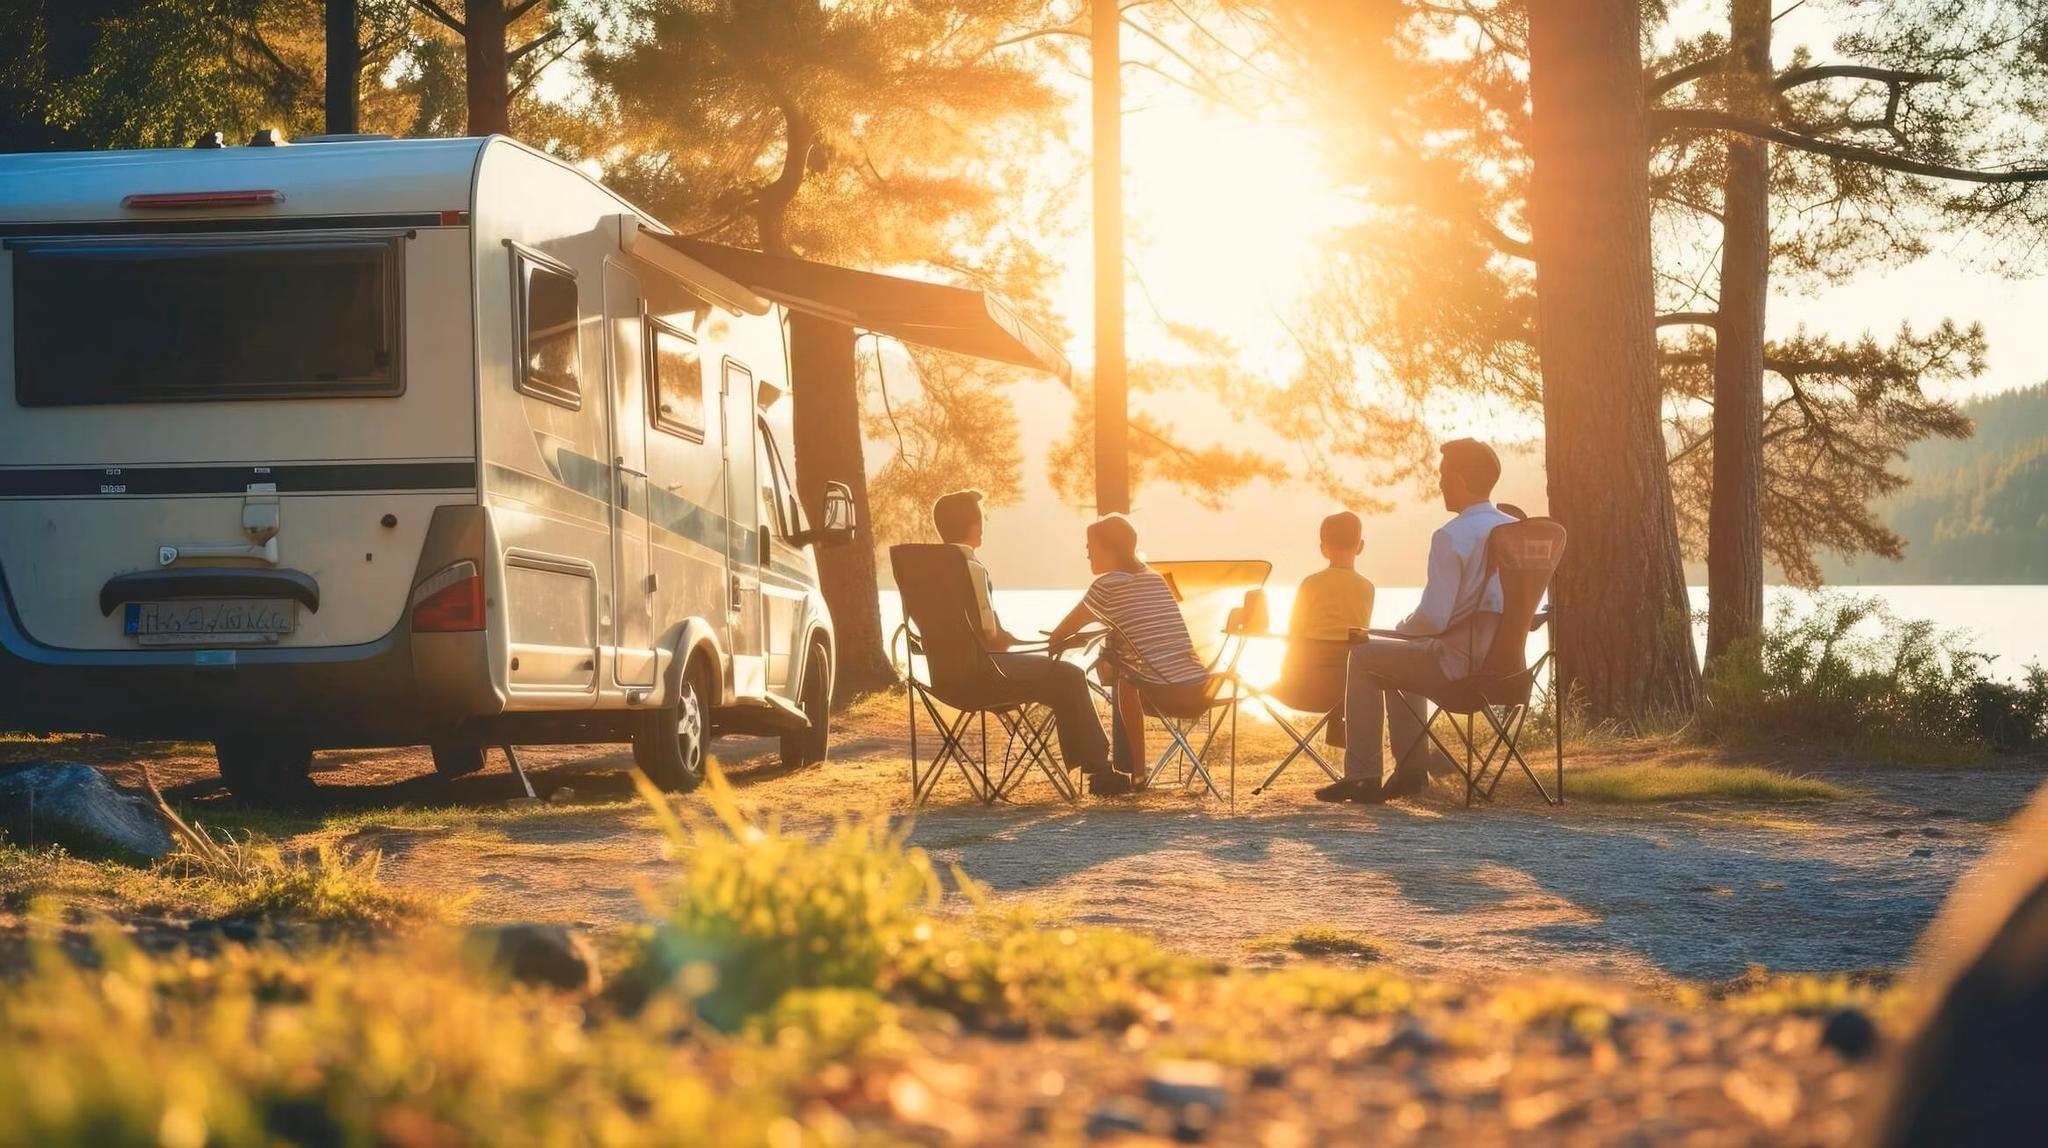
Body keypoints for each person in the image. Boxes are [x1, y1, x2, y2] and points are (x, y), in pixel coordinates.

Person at [1317, 439, 1515, 804]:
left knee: (1366, 654)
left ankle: (1363, 776)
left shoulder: (1450, 536)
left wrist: (1400, 630)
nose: (1438, 484)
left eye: (1442, 476)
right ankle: (1411, 771)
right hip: (1510, 669)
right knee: (1407, 653)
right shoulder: (1517, 529)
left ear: (1459, 479)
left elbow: (1433, 617)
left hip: (1458, 666)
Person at [930, 489, 1112, 782]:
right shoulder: (969, 567)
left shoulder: (928, 570)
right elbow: (990, 636)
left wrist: (1008, 638)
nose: (983, 526)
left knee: (1057, 681)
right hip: (985, 676)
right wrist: (1041, 642)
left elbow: (972, 631)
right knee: (1070, 675)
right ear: (975, 525)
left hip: (944, 679)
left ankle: (1090, 765)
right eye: (982, 520)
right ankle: (1098, 767)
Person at [1047, 514, 1207, 794]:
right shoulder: (1155, 579)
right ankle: (1126, 769)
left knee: (1126, 681)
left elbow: (1065, 628)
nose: (1086, 554)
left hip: (1160, 689)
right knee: (1126, 671)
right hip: (1198, 686)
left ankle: (1135, 772)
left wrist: (1056, 641)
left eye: (1090, 547)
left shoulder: (1107, 586)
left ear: (1109, 550)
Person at [1275, 511, 1377, 744]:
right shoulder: (1367, 588)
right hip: (1348, 692)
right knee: (1348, 664)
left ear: (1324, 548)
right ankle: (1343, 734)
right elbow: (1359, 638)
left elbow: (1294, 634)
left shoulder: (1310, 584)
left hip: (1300, 687)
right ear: (1360, 546)